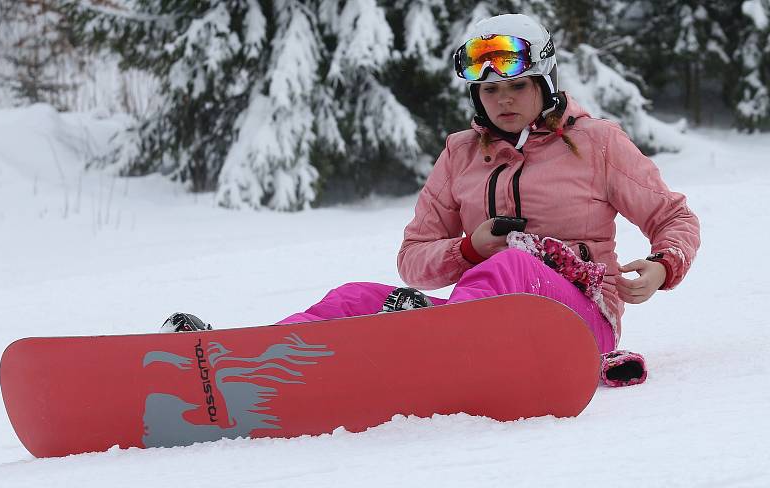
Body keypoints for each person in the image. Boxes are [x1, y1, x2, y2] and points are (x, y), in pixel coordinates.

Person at [163, 14, 700, 385]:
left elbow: (674, 216)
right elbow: (414, 258)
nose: (503, 99)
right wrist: (469, 249)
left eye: (516, 85)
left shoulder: (596, 143)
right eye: (490, 90)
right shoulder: (461, 155)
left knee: (515, 262)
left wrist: (660, 266)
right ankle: (251, 356)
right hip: (481, 321)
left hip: (580, 323)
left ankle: (429, 346)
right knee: (354, 296)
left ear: (545, 84)